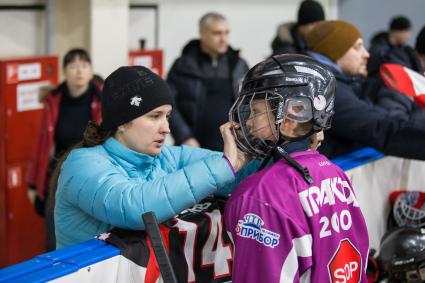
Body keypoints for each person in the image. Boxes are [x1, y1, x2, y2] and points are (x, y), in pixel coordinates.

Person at [52, 66, 258, 249]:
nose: (166, 128)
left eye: (167, 117)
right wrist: (224, 166)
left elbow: (245, 172)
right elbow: (135, 207)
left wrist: (261, 146)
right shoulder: (82, 164)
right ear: (122, 122)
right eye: (154, 116)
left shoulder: (166, 157)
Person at [225, 54, 369, 282]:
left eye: (256, 111)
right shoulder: (335, 173)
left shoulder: (258, 196)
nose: (249, 122)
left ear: (292, 115)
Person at [304, 20, 425, 160]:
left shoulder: (340, 84)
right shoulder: (324, 91)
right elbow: (378, 128)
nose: (366, 54)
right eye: (358, 47)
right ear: (335, 50)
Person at [27, 48, 102, 251]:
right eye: (73, 65)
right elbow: (41, 145)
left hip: (92, 178)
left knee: (90, 240)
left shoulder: (102, 99)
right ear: (64, 71)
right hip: (58, 178)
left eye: (84, 65)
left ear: (91, 70)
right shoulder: (53, 101)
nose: (79, 71)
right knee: (54, 240)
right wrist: (33, 183)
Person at [167, 12, 249, 151]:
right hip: (193, 149)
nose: (223, 39)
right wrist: (184, 137)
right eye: (217, 33)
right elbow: (169, 104)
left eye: (226, 33)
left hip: (232, 148)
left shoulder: (239, 65)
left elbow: (249, 103)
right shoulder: (183, 65)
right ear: (202, 34)